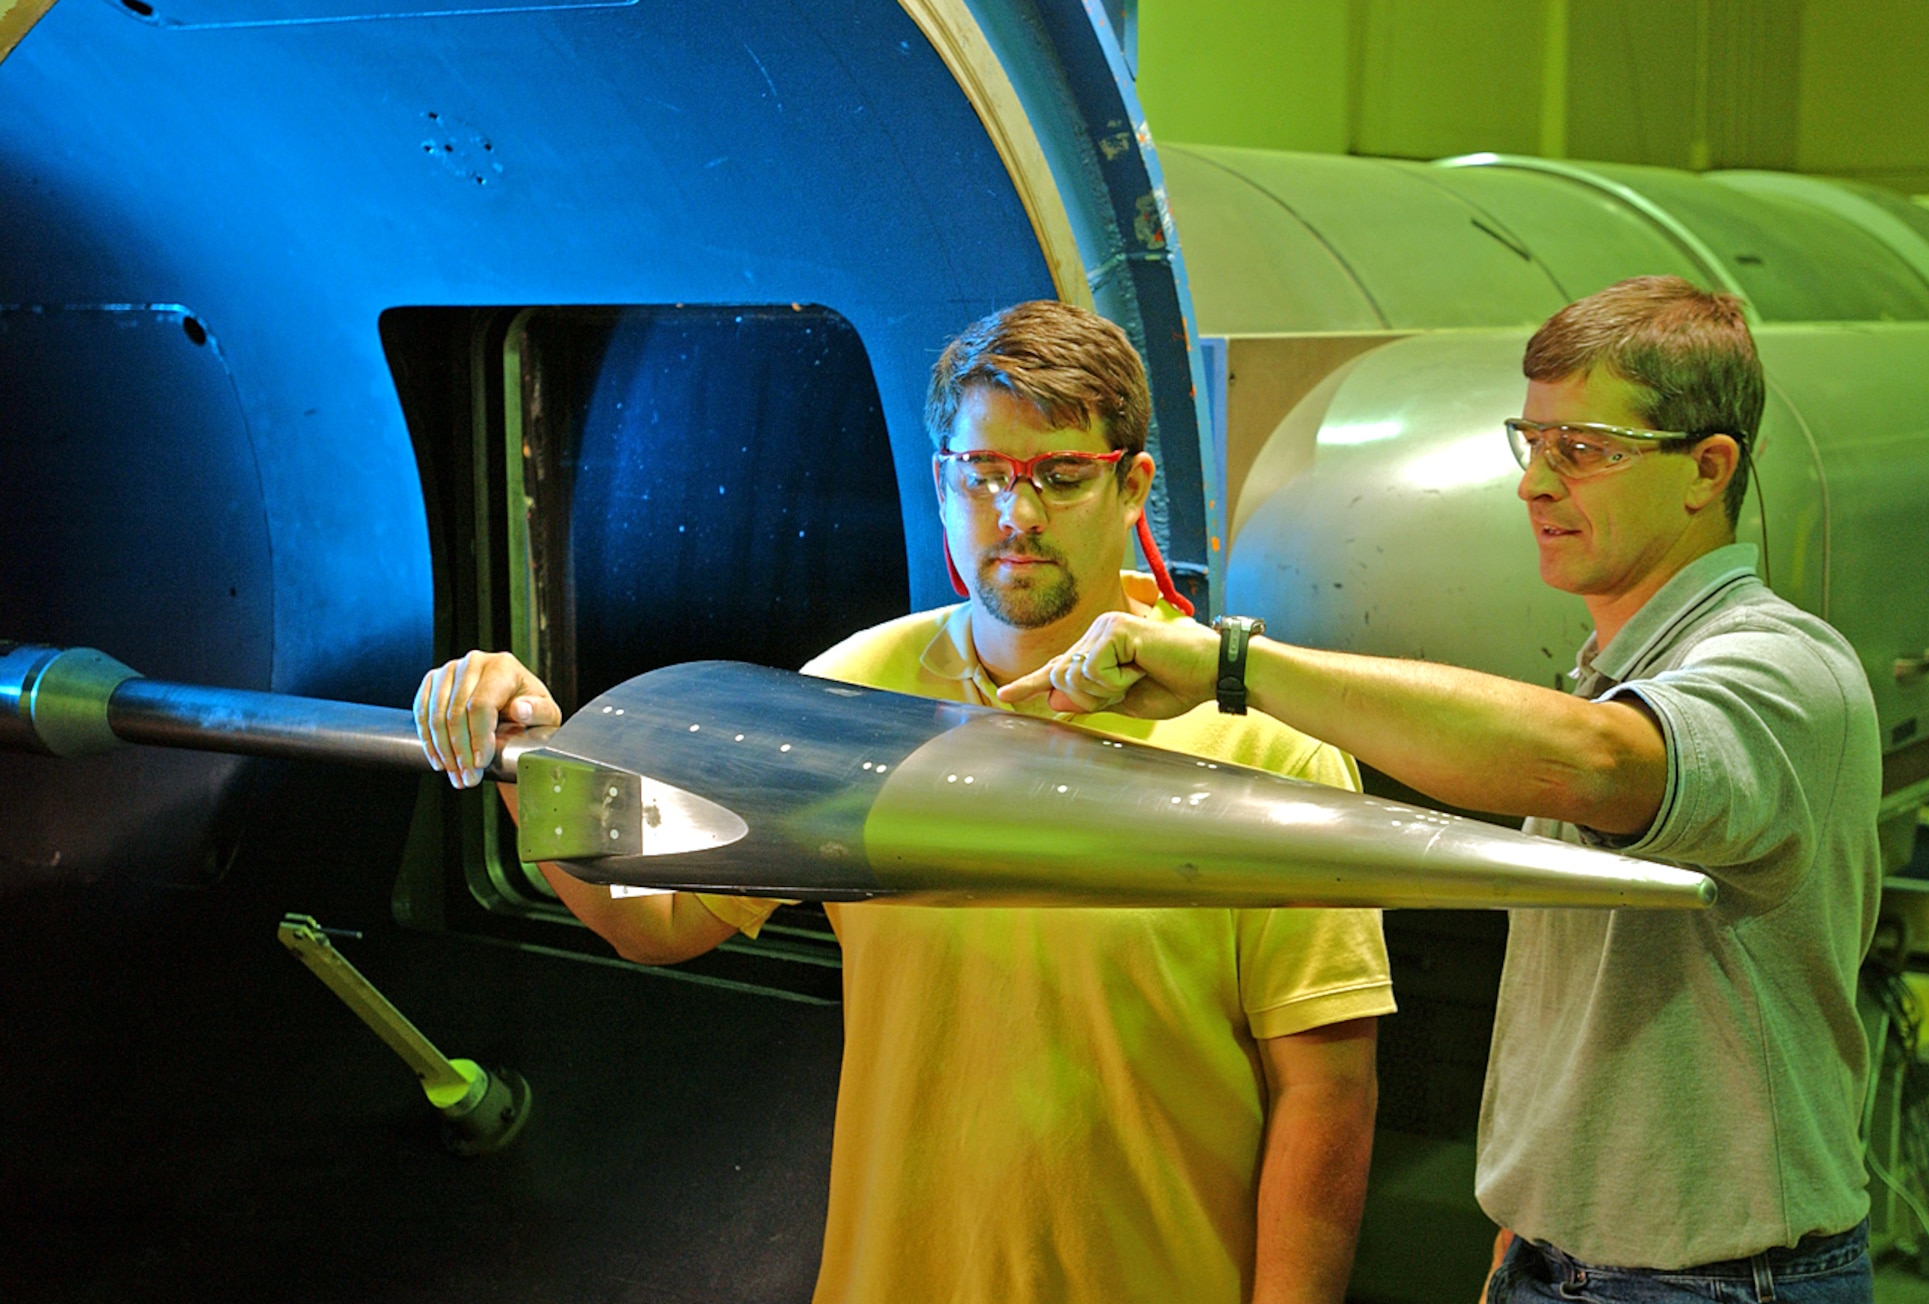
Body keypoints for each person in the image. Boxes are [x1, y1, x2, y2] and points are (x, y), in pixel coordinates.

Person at [413, 300, 1395, 1304]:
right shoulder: (851, 697)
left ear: (1131, 483)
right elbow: (658, 919)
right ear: (941, 482)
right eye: (984, 474)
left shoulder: (1263, 744)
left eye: (1058, 476)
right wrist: (525, 753)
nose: (1017, 515)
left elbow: (1323, 1094)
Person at [1001, 277, 1880, 1302]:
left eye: (1582, 450)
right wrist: (1531, 1227)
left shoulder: (1777, 668)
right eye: (1530, 441)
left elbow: (1595, 762)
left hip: (1718, 1283)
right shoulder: (1605, 673)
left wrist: (1232, 665)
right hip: (1570, 1264)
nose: (1534, 485)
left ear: (1707, 468)